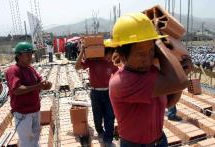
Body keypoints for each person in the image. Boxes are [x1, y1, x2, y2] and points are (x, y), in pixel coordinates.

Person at [109, 12, 190, 147]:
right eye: (141, 54)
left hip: (160, 141)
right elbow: (179, 82)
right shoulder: (122, 82)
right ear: (123, 56)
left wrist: (183, 73)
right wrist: (157, 43)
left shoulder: (151, 71)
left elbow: (169, 102)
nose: (147, 59)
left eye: (151, 51)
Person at [5, 42, 52, 147]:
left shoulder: (31, 69)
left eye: (31, 54)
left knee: (35, 139)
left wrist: (47, 85)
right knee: (26, 142)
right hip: (23, 114)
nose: (30, 57)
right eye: (27, 54)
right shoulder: (13, 71)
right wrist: (38, 86)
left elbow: (41, 82)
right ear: (18, 55)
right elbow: (16, 90)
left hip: (35, 110)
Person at [75, 40, 118, 147]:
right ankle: (100, 131)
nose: (110, 57)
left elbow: (118, 74)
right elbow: (77, 67)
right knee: (97, 117)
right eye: (109, 54)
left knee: (109, 117)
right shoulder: (93, 61)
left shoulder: (111, 63)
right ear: (104, 52)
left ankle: (108, 140)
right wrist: (82, 51)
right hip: (95, 93)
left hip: (108, 93)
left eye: (112, 55)